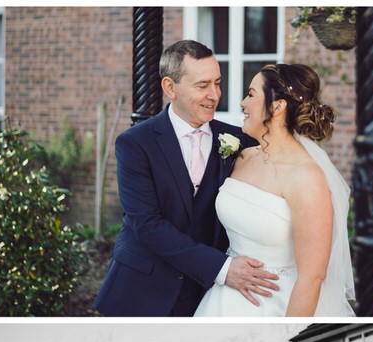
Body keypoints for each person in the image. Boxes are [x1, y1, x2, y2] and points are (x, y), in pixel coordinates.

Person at [94, 39, 279, 317]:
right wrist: (223, 268)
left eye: (217, 83)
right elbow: (146, 225)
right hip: (140, 290)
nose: (214, 95)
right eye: (202, 85)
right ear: (170, 88)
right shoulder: (135, 143)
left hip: (203, 296)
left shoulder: (240, 141)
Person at [194, 63, 356, 317]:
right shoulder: (243, 156)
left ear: (277, 106)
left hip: (274, 304)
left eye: (251, 94)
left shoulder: (306, 177)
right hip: (223, 295)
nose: (242, 103)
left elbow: (312, 276)